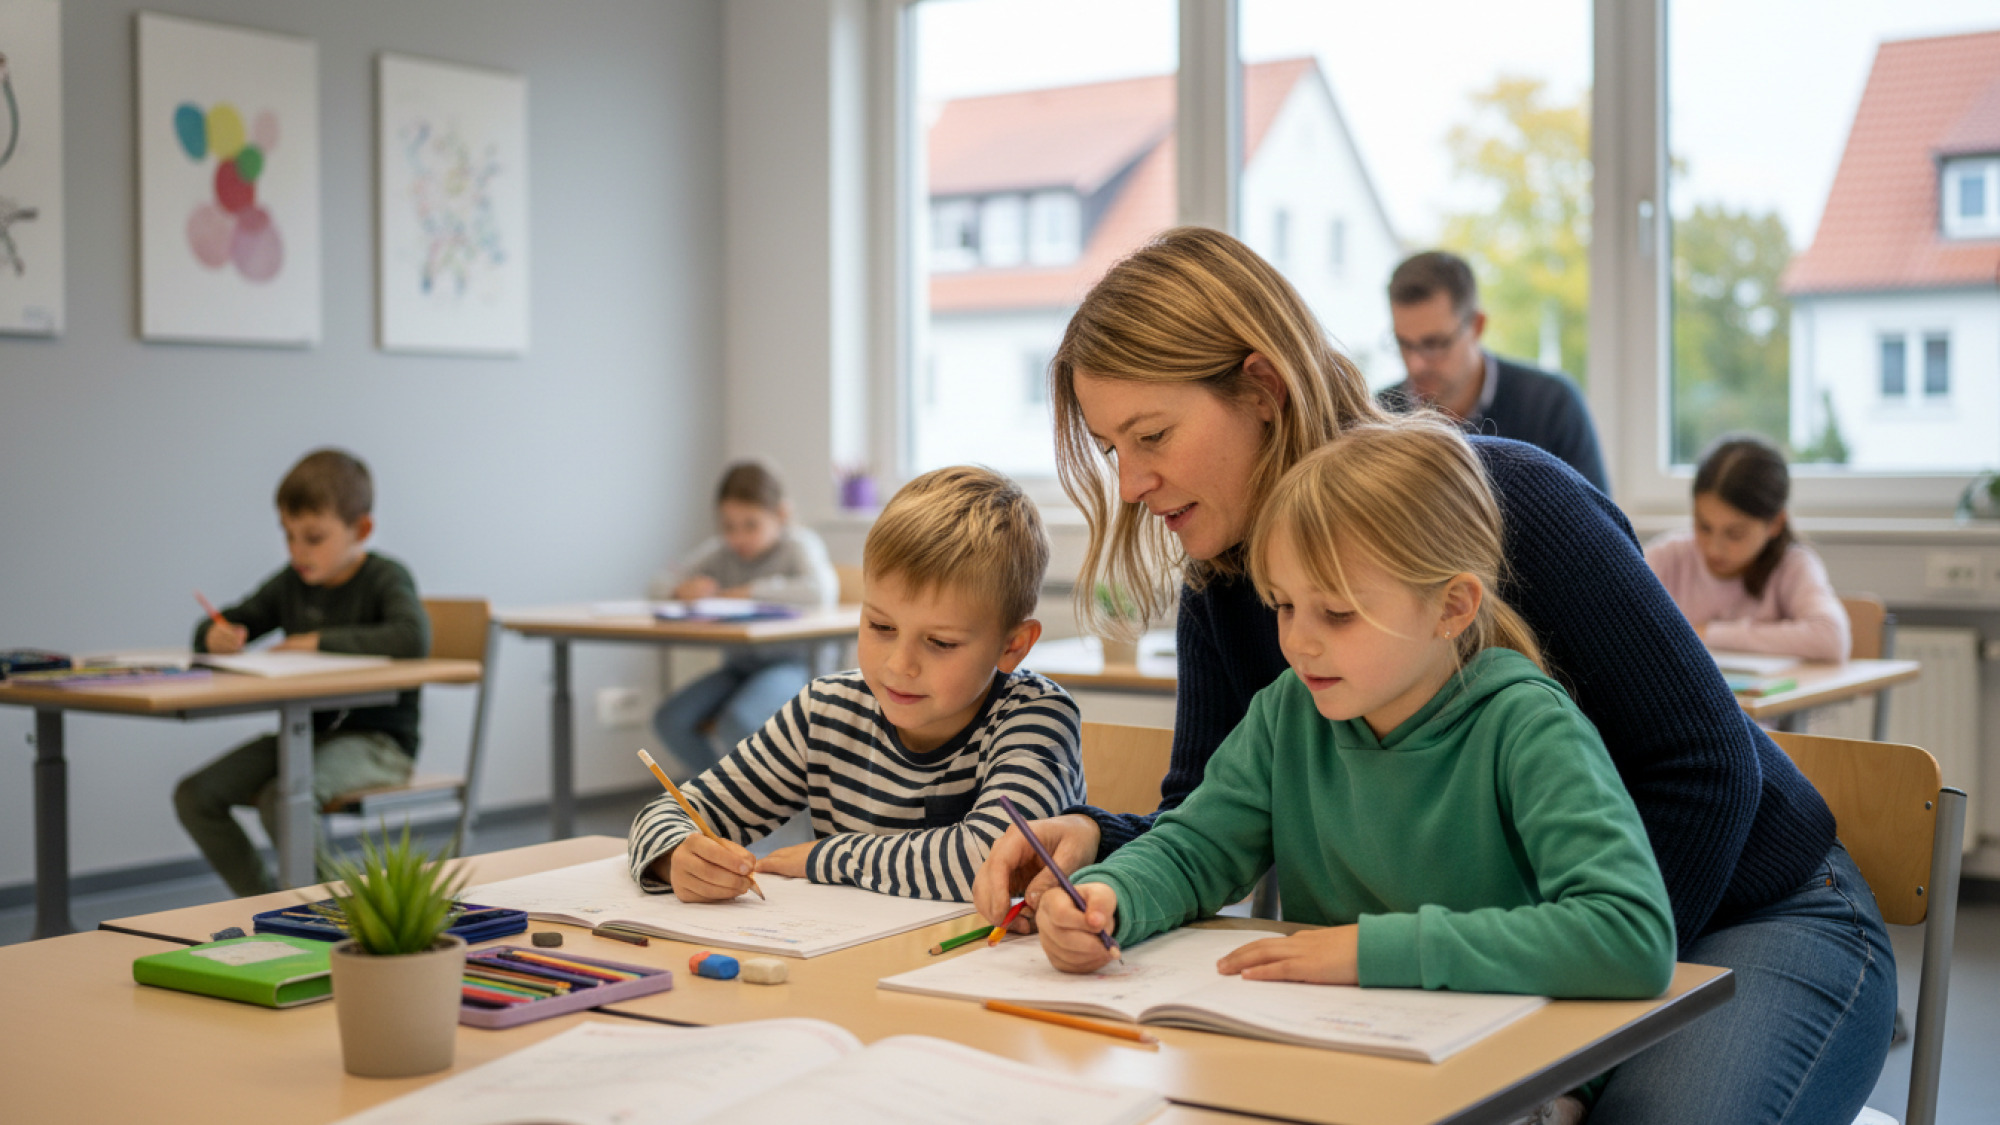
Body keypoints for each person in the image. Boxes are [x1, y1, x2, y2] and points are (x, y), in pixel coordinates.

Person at [975, 227, 1893, 1124]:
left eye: (1152, 434)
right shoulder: (1224, 582)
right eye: (1110, 449)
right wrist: (1099, 853)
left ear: (1260, 387)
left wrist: (1570, 1027)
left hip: (1748, 914)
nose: (1131, 483)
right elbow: (1215, 817)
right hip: (1476, 961)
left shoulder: (1506, 505)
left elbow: (1706, 772)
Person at [628, 465, 1084, 903]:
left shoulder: (1037, 717)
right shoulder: (825, 712)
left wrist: (824, 858)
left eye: (941, 642)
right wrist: (675, 856)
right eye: (881, 627)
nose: (900, 665)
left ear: (1013, 646)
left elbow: (991, 858)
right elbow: (668, 811)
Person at [173, 449, 430, 897]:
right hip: (306, 738)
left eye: (313, 537)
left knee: (283, 797)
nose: (298, 552)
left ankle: (335, 910)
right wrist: (214, 635)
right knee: (196, 795)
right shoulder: (291, 583)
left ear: (361, 530)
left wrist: (315, 640)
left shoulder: (386, 578)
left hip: (381, 743)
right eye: (288, 537)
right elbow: (231, 620)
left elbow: (411, 637)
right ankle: (265, 901)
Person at [648, 460, 838, 780]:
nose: (738, 537)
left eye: (750, 525)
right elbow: (657, 584)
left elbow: (820, 591)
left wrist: (749, 592)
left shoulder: (798, 546)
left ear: (781, 514)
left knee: (740, 720)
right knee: (671, 719)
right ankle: (718, 798)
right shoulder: (721, 553)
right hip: (739, 669)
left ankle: (753, 818)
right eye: (729, 526)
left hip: (797, 667)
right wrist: (681, 590)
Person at [1378, 250, 1610, 494]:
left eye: (1434, 344)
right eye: (1404, 343)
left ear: (1476, 326)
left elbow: (1599, 528)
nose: (1416, 365)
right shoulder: (1378, 417)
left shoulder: (1550, 406)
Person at [1646, 435, 1850, 662]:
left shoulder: (1792, 565)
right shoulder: (1667, 557)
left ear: (1775, 524)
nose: (1713, 549)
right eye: (1703, 527)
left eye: (1734, 534)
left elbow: (1831, 638)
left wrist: (1707, 634)